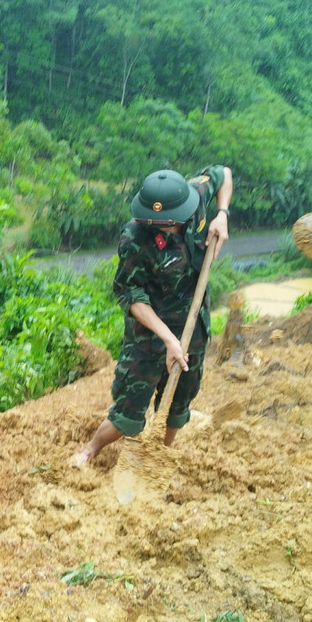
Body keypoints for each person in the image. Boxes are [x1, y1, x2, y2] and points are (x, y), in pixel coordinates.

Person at [74, 165, 233, 464]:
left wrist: (223, 214)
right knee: (128, 415)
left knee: (176, 406)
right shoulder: (135, 237)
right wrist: (168, 340)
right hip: (148, 333)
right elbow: (131, 295)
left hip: (192, 324)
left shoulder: (195, 195)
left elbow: (224, 173)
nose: (163, 226)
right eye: (156, 222)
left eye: (169, 222)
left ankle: (158, 457)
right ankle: (90, 449)